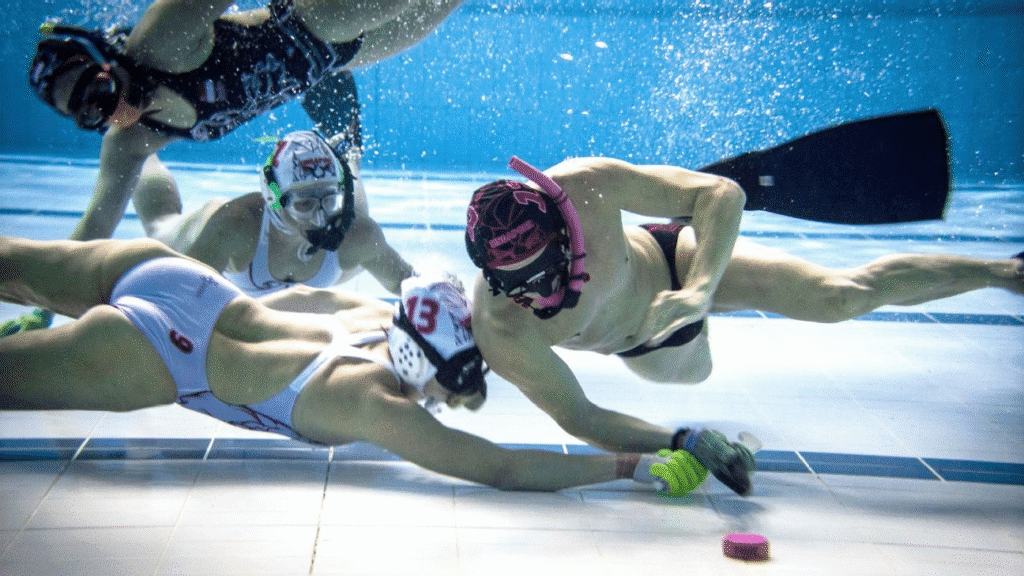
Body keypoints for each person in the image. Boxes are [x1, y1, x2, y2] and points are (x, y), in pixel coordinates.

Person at [464, 156, 1024, 495]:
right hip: (652, 347)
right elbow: (579, 416)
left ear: (568, 234)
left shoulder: (587, 187)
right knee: (693, 378)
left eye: (548, 271)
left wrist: (699, 289)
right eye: (519, 286)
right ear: (492, 277)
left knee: (837, 297)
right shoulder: (504, 331)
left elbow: (721, 193)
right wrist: (683, 440)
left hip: (674, 260)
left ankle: (1006, 270)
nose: (541, 294)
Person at [0, 235, 710, 495]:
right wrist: (626, 468)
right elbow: (502, 468)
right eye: (460, 376)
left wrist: (668, 439)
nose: (464, 392)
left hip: (177, 280)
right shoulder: (373, 404)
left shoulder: (376, 316)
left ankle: (34, 323)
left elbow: (301, 291)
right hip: (153, 356)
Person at [28, 0, 464, 242]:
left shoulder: (160, 40)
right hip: (334, 58)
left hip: (319, 18)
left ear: (104, 59)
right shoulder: (129, 140)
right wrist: (43, 310)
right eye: (91, 114)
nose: (114, 110)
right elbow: (94, 229)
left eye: (102, 91)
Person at [133, 130, 414, 296]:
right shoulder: (234, 227)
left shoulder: (354, 233)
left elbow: (411, 285)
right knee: (159, 225)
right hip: (234, 236)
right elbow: (182, 300)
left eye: (329, 201)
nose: (320, 220)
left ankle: (350, 156)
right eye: (304, 205)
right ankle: (140, 149)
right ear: (275, 200)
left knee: (359, 222)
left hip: (333, 267)